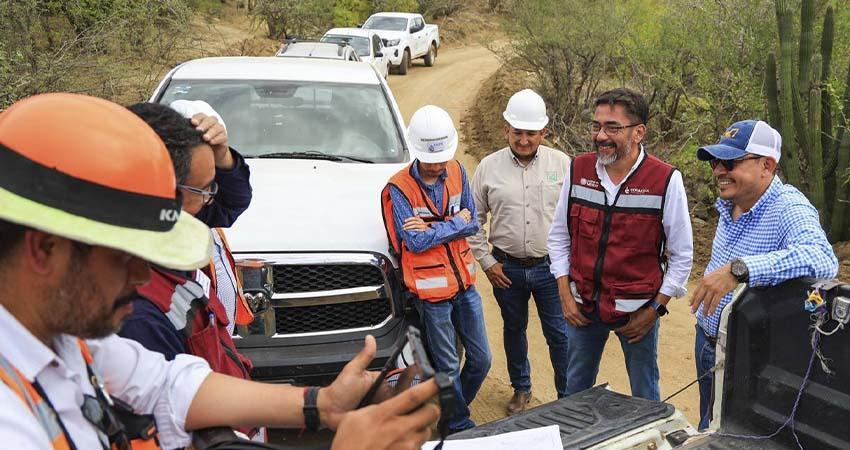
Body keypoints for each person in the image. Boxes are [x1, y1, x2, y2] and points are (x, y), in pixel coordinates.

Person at [0, 93, 439, 450]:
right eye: (124, 256)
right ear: (46, 249)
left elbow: (167, 385)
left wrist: (321, 404)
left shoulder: (64, 338)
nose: (140, 277)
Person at [690, 119, 838, 430]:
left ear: (766, 165)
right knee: (708, 421)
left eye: (729, 162)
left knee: (731, 434)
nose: (718, 170)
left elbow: (822, 259)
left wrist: (739, 270)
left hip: (743, 356)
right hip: (706, 342)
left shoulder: (789, 208)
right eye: (716, 161)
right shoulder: (731, 202)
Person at [547, 88, 693, 401]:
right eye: (596, 126)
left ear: (639, 132)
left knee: (645, 395)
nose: (601, 135)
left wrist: (655, 310)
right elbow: (559, 235)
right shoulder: (578, 169)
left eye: (613, 127)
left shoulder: (665, 179)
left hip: (637, 313)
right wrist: (565, 297)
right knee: (575, 392)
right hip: (582, 306)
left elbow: (682, 256)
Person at [381, 105, 492, 433]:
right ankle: (458, 423)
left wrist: (435, 227)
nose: (438, 165)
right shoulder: (398, 188)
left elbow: (472, 224)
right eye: (431, 159)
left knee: (482, 359)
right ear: (416, 152)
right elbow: (413, 242)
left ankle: (448, 410)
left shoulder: (458, 170)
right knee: (446, 366)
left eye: (442, 156)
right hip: (431, 297)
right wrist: (454, 222)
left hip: (464, 286)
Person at [468, 89, 570, 414]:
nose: (523, 140)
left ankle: (568, 397)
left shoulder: (562, 165)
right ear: (506, 130)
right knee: (514, 329)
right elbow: (473, 220)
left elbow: (575, 219)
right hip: (506, 269)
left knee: (560, 334)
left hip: (552, 269)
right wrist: (486, 262)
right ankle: (521, 389)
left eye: (530, 133)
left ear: (544, 132)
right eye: (517, 132)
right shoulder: (488, 168)